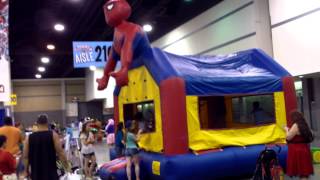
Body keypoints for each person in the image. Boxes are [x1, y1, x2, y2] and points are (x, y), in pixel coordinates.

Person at [22, 114, 69, 180]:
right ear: (47, 123)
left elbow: (25, 156)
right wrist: (67, 167)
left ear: (37, 124)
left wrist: (25, 171)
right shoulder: (53, 135)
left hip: (36, 174)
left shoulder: (29, 138)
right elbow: (61, 153)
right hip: (51, 173)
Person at [285, 111, 314, 180]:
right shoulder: (304, 125)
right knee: (304, 172)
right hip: (305, 149)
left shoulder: (296, 125)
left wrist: (286, 130)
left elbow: (288, 137)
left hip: (297, 150)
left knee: (302, 172)